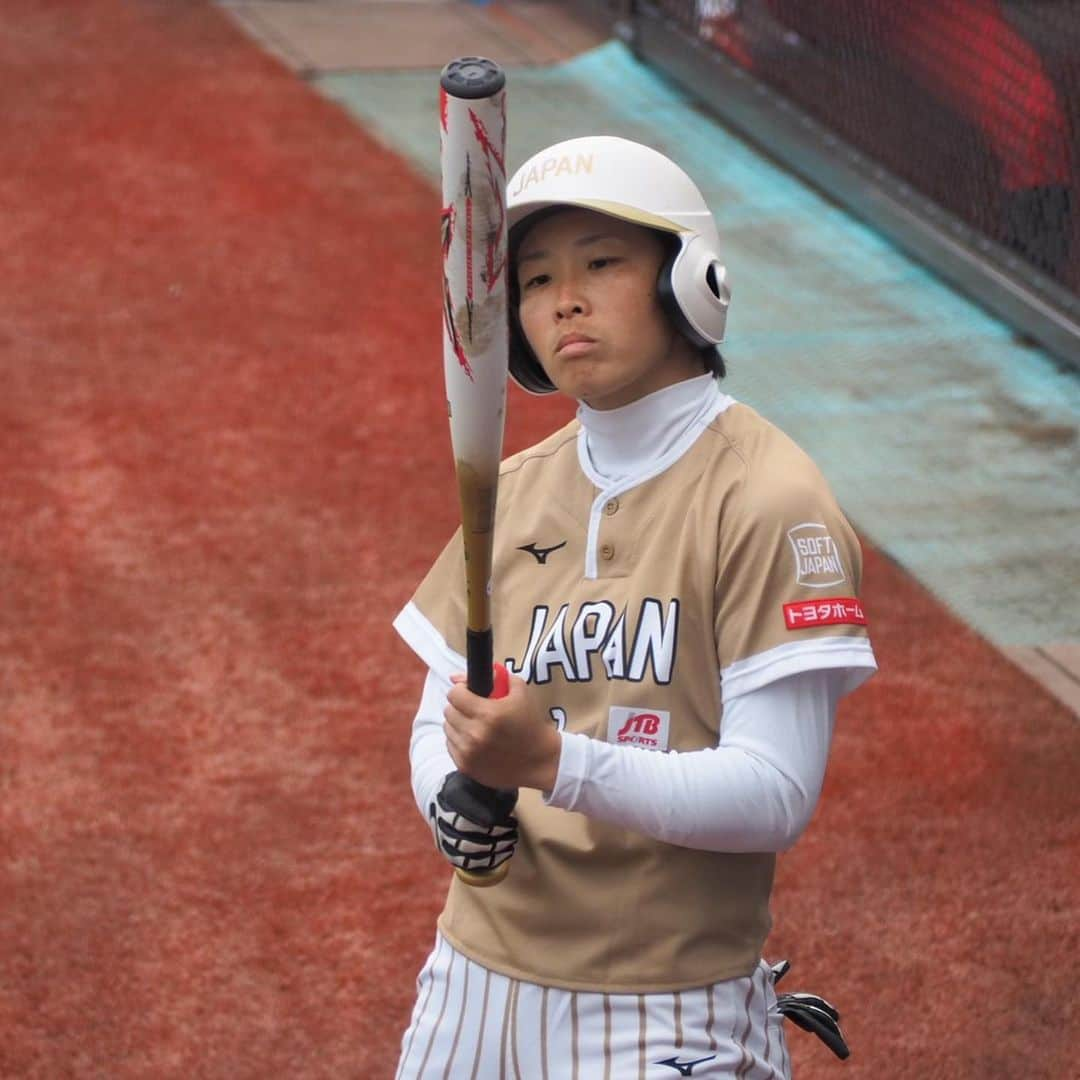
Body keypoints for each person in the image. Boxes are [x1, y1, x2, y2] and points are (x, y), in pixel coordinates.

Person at [393, 135, 877, 1078]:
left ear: (689, 279)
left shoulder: (766, 497)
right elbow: (440, 719)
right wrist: (448, 798)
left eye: (601, 263)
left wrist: (551, 762)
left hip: (666, 1005)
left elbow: (775, 793)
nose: (562, 298)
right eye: (533, 280)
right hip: (474, 980)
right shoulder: (513, 492)